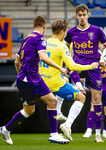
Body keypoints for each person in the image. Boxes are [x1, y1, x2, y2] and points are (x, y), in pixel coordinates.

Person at [0, 16, 69, 145]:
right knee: (29, 111)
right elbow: (43, 57)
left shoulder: (26, 39)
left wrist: (21, 75)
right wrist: (60, 68)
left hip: (33, 78)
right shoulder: (40, 38)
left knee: (53, 101)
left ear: (33, 26)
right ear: (44, 27)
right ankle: (5, 129)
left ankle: (54, 135)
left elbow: (16, 62)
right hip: (30, 80)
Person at [39, 19, 99, 141]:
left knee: (65, 80)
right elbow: (72, 66)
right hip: (52, 82)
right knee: (81, 97)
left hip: (39, 80)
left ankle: (59, 111)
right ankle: (67, 125)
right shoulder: (61, 46)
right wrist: (90, 66)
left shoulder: (43, 42)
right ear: (62, 32)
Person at [64, 4, 106, 143]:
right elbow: (65, 49)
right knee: (71, 68)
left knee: (97, 100)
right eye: (79, 15)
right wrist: (65, 64)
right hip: (78, 66)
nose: (82, 17)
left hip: (94, 67)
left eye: (84, 14)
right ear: (76, 16)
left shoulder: (97, 30)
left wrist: (103, 58)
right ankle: (78, 86)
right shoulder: (72, 32)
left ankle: (97, 135)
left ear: (88, 15)